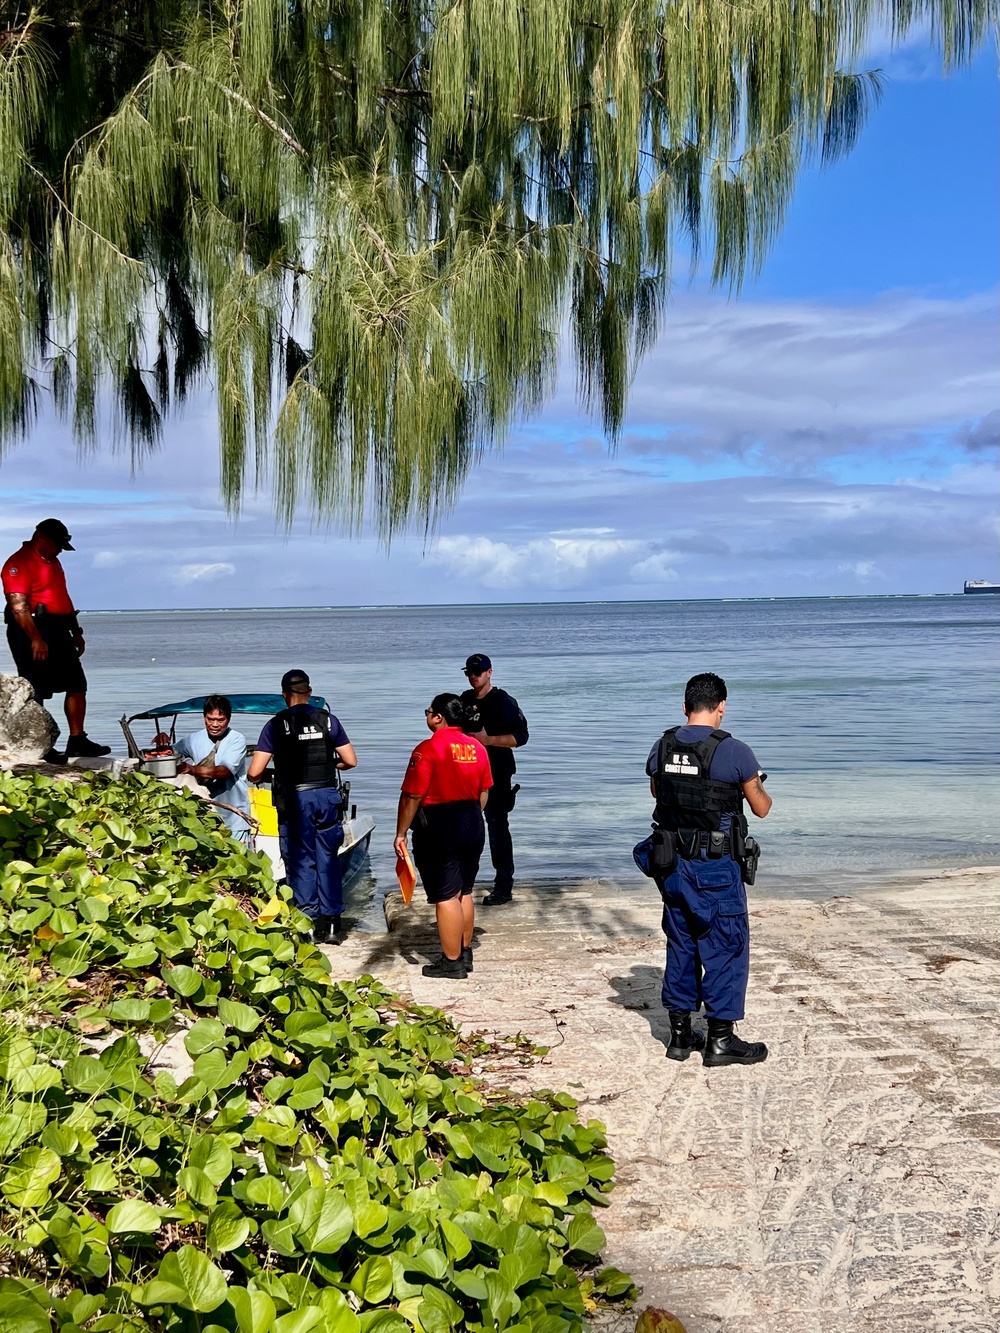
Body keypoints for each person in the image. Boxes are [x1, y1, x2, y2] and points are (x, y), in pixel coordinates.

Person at [646, 671, 772, 1068]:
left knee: (681, 942)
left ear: (685, 708)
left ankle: (680, 1036)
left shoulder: (662, 746)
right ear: (721, 707)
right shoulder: (734, 751)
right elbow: (762, 807)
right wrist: (756, 782)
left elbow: (658, 791)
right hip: (715, 867)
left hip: (671, 864)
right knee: (725, 945)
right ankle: (720, 1039)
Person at [246, 670, 357, 943]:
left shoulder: (275, 726)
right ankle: (332, 925)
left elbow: (254, 772)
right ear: (309, 693)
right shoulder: (329, 721)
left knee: (300, 861)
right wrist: (329, 766)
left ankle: (307, 924)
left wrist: (276, 772)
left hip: (296, 801)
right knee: (328, 858)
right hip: (326, 797)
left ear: (285, 696)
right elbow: (350, 760)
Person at [394, 693, 492, 979]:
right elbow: (484, 791)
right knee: (464, 889)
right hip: (473, 819)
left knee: (445, 894)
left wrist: (401, 833)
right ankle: (464, 951)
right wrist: (470, 816)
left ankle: (452, 962)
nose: (427, 717)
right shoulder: (476, 747)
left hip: (440, 824)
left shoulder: (428, 749)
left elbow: (412, 795)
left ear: (438, 717)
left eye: (428, 712)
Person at [2, 518, 109, 759]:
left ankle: (77, 739)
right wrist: (36, 639)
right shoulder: (17, 563)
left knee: (77, 683)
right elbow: (18, 606)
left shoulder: (54, 562)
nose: (60, 550)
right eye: (58, 545)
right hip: (31, 628)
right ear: (41, 538)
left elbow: (63, 597)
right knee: (36, 687)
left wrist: (76, 631)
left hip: (58, 627)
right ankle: (40, 744)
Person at [460, 653, 528, 905]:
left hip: (497, 771)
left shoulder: (503, 702)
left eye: (478, 672)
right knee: (465, 826)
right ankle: (462, 883)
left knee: (497, 826)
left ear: (490, 672)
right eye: (469, 672)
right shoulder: (463, 700)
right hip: (466, 772)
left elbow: (521, 737)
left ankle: (504, 885)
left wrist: (488, 741)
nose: (473, 676)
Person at [154, 695, 250, 843]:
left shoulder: (236, 739)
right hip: (205, 814)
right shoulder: (193, 739)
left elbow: (225, 771)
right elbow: (170, 755)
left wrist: (191, 769)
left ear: (229, 719)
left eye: (220, 720)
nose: (215, 724)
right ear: (204, 717)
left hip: (234, 818)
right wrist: (163, 745)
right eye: (210, 719)